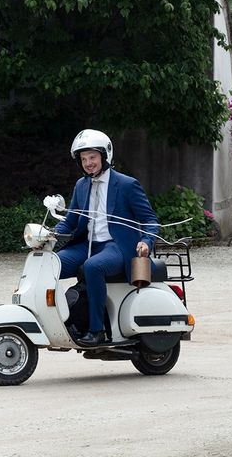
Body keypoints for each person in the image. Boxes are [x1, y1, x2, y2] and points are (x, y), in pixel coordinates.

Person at [55, 129, 159, 346]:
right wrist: (49, 234)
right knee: (50, 264)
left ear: (105, 156)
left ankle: (97, 330)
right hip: (87, 244)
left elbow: (150, 219)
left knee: (93, 267)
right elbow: (71, 221)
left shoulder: (126, 184)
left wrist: (146, 241)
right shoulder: (81, 185)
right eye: (83, 159)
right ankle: (65, 320)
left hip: (116, 246)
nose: (88, 163)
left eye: (92, 157)